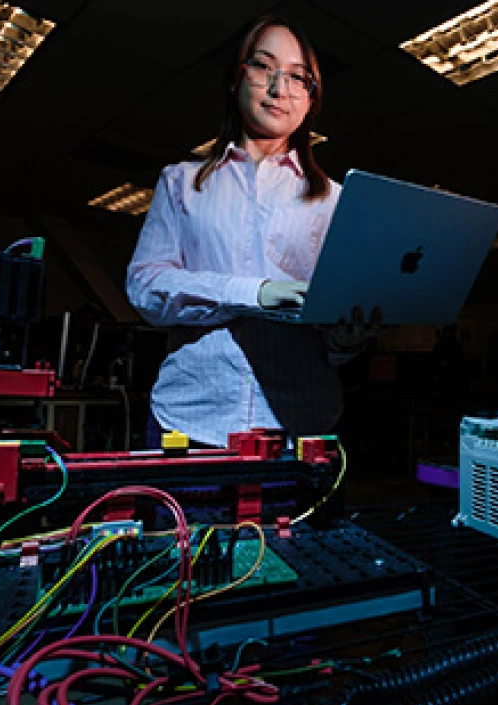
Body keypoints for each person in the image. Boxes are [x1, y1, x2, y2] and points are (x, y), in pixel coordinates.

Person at [126, 13, 376, 448]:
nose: (280, 89)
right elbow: (146, 286)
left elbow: (331, 330)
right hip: (190, 423)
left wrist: (346, 342)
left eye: (299, 78)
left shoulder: (335, 200)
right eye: (263, 67)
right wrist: (255, 293)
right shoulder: (181, 182)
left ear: (311, 99)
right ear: (236, 78)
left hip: (301, 426)